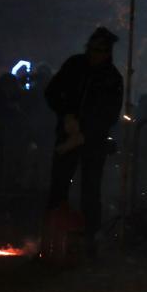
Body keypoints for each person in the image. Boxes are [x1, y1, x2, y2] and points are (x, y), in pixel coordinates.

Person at [44, 27, 123, 258]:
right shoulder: (74, 66)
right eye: (91, 49)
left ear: (107, 53)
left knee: (91, 190)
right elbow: (52, 92)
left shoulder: (112, 78)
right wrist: (67, 115)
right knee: (58, 186)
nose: (93, 54)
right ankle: (52, 238)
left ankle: (89, 241)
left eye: (98, 51)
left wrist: (86, 133)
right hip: (68, 134)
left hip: (92, 142)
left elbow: (109, 114)